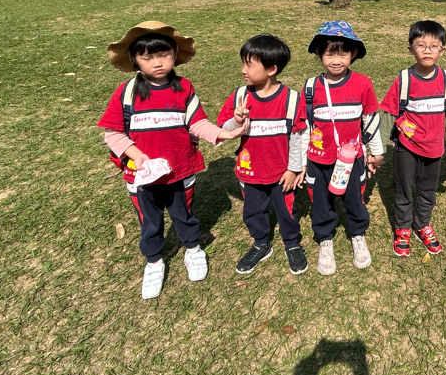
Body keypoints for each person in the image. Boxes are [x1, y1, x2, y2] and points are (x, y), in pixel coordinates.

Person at [98, 21, 246, 300]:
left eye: (164, 55)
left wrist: (222, 134)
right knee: (150, 222)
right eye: (147, 57)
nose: (157, 63)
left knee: (184, 215)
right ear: (134, 59)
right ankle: (154, 261)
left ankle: (192, 248)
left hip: (180, 169)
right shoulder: (126, 92)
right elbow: (113, 133)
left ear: (175, 54)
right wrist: (136, 155)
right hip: (142, 175)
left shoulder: (184, 88)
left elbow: (196, 123)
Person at [378, 20, 446, 257]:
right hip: (406, 148)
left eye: (434, 46)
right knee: (404, 190)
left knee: (427, 192)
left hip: (435, 149)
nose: (428, 50)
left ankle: (422, 224)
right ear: (411, 49)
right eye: (421, 45)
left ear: (443, 50)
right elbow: (389, 114)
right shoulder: (404, 80)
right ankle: (403, 228)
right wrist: (377, 150)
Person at [217, 34, 309, 275]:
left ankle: (292, 243)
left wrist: (294, 169)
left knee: (287, 211)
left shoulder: (291, 99)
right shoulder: (240, 96)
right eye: (243, 63)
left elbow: (297, 136)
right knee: (253, 211)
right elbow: (223, 130)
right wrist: (236, 121)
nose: (243, 70)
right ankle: (261, 243)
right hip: (250, 171)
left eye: (249, 64)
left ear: (271, 69)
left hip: (282, 173)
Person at [303, 21, 383, 275]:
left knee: (354, 198)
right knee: (320, 201)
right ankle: (325, 238)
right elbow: (304, 127)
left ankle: (357, 233)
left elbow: (370, 118)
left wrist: (376, 152)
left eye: (343, 54)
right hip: (318, 158)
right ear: (319, 54)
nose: (336, 61)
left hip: (352, 159)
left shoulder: (362, 83)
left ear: (353, 54)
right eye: (330, 54)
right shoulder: (310, 87)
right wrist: (301, 163)